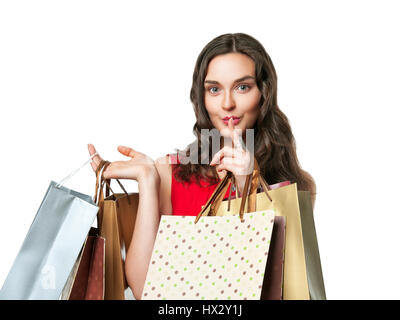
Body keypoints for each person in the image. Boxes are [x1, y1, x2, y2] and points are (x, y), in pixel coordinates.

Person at [87, 32, 316, 300]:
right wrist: (148, 180)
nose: (227, 103)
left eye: (242, 87)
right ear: (202, 97)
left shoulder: (296, 185)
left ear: (264, 93)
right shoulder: (169, 174)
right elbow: (143, 289)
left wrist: (247, 186)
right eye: (214, 89)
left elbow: (270, 283)